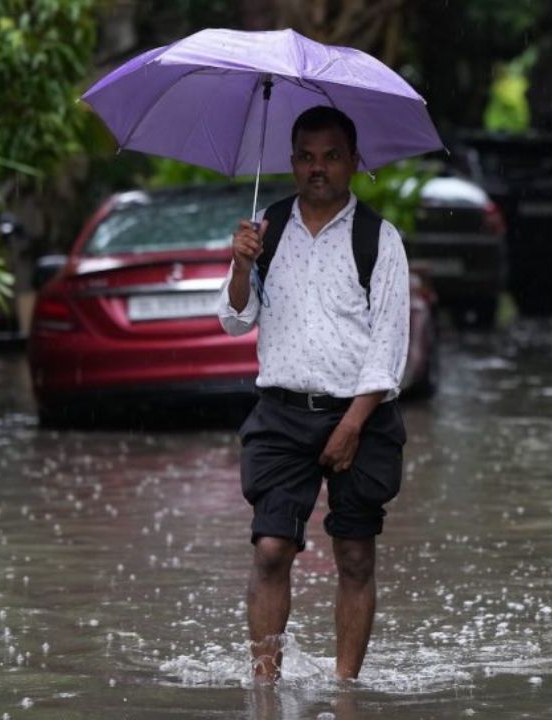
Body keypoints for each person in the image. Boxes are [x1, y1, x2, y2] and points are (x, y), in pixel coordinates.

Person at [218, 105, 410, 680]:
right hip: (281, 412)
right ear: (292, 161)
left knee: (354, 554)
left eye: (331, 156)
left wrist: (352, 425)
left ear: (353, 161)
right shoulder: (266, 230)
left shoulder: (379, 239)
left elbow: (389, 343)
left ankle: (346, 691)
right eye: (305, 156)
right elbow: (235, 319)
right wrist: (239, 265)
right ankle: (265, 690)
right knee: (271, 549)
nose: (317, 168)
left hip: (362, 415)